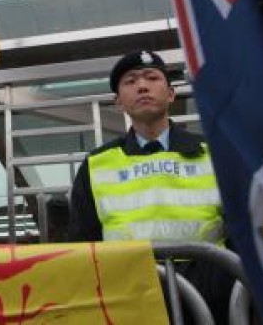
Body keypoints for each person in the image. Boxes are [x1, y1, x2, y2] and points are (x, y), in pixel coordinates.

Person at [68, 50, 234, 324]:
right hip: (129, 296)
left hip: (212, 295)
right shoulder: (97, 164)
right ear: (118, 101)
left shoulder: (213, 153)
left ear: (170, 94)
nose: (142, 86)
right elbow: (83, 243)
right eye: (130, 81)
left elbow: (241, 230)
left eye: (151, 78)